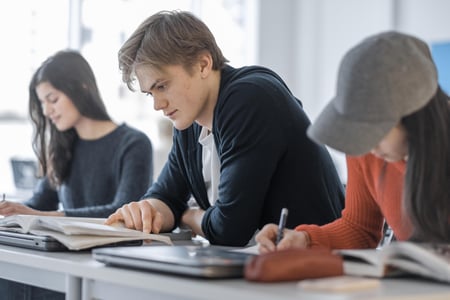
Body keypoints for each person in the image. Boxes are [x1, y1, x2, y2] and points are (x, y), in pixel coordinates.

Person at [105, 10, 345, 247]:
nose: (158, 105)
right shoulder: (189, 122)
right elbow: (167, 197)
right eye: (150, 93)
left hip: (316, 268)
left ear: (203, 64)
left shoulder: (249, 99)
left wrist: (185, 215)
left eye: (163, 86)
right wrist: (146, 211)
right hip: (259, 269)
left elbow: (230, 229)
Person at [256, 31, 450, 254]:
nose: (367, 145)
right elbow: (359, 229)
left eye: (374, 130)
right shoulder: (364, 147)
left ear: (415, 116)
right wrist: (305, 239)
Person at [0, 50, 154, 299]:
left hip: (107, 266)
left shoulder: (134, 144)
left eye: (52, 99)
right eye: (42, 103)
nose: (47, 111)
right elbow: (37, 205)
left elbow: (122, 214)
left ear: (81, 88)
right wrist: (9, 211)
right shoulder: (61, 147)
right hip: (62, 261)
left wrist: (44, 216)